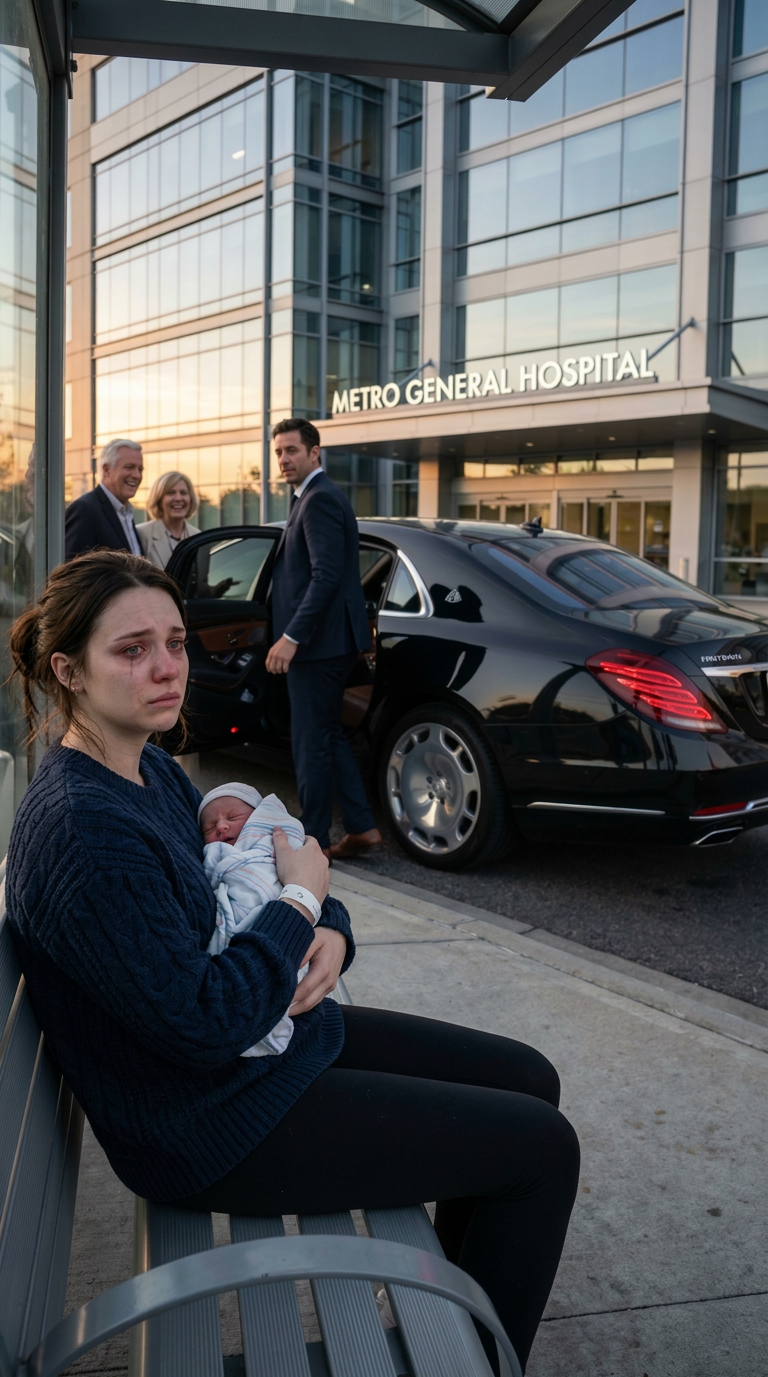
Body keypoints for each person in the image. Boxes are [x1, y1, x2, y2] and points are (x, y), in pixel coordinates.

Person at [6, 550, 579, 1375]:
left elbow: (262, 865)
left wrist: (330, 927)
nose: (167, 667)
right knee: (541, 1150)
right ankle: (472, 1365)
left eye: (175, 641)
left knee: (528, 1077)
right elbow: (206, 1017)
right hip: (209, 1122)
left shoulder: (146, 765)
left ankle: (449, 1331)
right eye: (132, 649)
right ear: (69, 670)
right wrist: (307, 901)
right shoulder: (84, 830)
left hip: (261, 1051)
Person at [266, 418, 382, 861]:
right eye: (279, 452)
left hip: (318, 646)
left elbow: (326, 576)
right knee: (327, 736)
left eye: (292, 450)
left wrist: (291, 636)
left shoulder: (319, 499)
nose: (283, 459)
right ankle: (361, 826)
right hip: (329, 642)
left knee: (310, 744)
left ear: (315, 452)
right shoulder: (310, 497)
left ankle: (312, 841)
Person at [199, 781, 310, 1057]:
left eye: (233, 817)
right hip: (250, 970)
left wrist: (326, 919)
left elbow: (309, 875)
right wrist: (305, 897)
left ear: (259, 819)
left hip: (282, 921)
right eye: (209, 828)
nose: (221, 827)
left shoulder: (273, 844)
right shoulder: (218, 853)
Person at [64, 438, 144, 560]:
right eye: (129, 467)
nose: (137, 475)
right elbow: (72, 567)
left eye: (140, 469)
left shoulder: (125, 512)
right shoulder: (84, 510)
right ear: (106, 470)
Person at [136, 470, 200, 570]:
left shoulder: (198, 536)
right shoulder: (142, 534)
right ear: (159, 499)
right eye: (171, 493)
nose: (178, 498)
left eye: (183, 493)